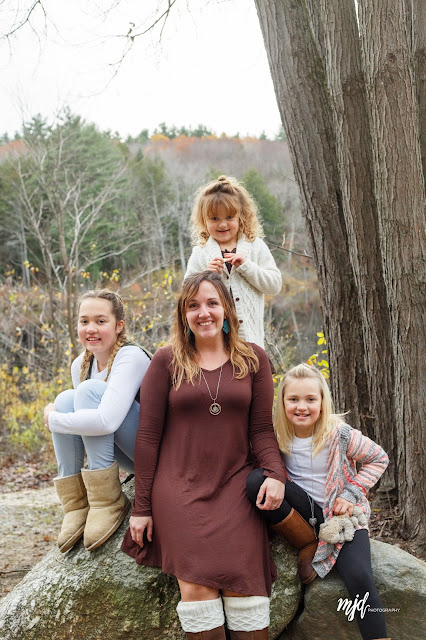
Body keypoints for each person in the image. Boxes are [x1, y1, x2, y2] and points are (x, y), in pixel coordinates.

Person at [121, 271, 286, 640]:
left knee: (245, 586)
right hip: (178, 489)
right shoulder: (165, 362)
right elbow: (147, 438)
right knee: (197, 589)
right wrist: (142, 507)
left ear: (227, 309)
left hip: (233, 484)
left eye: (212, 303)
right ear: (183, 314)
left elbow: (261, 430)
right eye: (193, 305)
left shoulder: (253, 359)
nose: (204, 312)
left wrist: (275, 474)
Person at [246, 363, 390, 640]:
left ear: (322, 401)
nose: (302, 407)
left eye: (311, 399)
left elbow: (379, 458)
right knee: (255, 482)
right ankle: (307, 542)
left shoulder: (339, 434)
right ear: (282, 402)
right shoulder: (276, 435)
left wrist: (351, 493)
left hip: (340, 516)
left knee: (359, 575)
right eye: (294, 399)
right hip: (303, 511)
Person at [43, 289, 151, 553]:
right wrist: (60, 413)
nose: (91, 328)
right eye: (84, 321)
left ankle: (108, 501)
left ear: (119, 326)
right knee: (67, 398)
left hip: (156, 454)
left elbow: (106, 422)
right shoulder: (81, 363)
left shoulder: (131, 356)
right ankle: (76, 505)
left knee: (87, 392)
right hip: (127, 454)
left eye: (101, 321)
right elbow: (85, 427)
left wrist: (53, 420)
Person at [184, 175, 282, 348]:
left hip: (251, 343)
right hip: (214, 346)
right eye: (214, 219)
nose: (222, 224)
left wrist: (247, 267)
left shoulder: (255, 247)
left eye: (229, 217)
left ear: (241, 217)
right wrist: (206, 276)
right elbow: (186, 294)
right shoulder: (200, 253)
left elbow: (274, 285)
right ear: (204, 220)